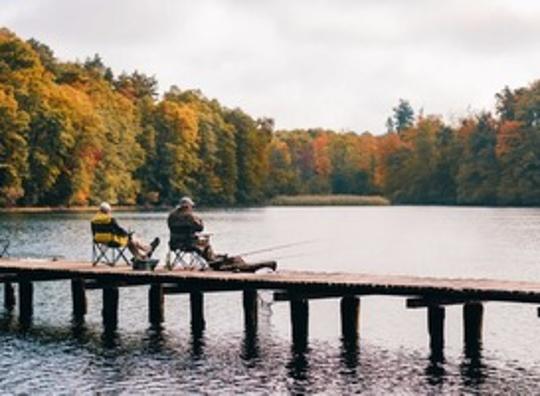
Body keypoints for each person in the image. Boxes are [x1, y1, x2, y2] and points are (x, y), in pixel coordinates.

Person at [167, 197, 277, 272]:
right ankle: (213, 260)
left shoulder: (171, 216)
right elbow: (200, 228)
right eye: (191, 206)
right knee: (205, 243)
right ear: (187, 206)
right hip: (189, 244)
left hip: (175, 244)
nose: (192, 208)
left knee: (202, 243)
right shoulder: (189, 216)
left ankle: (215, 258)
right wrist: (198, 219)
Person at [91, 202, 160, 261]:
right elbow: (119, 230)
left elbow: (93, 233)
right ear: (108, 211)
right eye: (110, 211)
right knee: (131, 239)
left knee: (130, 240)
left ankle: (140, 256)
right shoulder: (110, 219)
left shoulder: (93, 220)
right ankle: (148, 249)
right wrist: (127, 234)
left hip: (98, 240)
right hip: (113, 241)